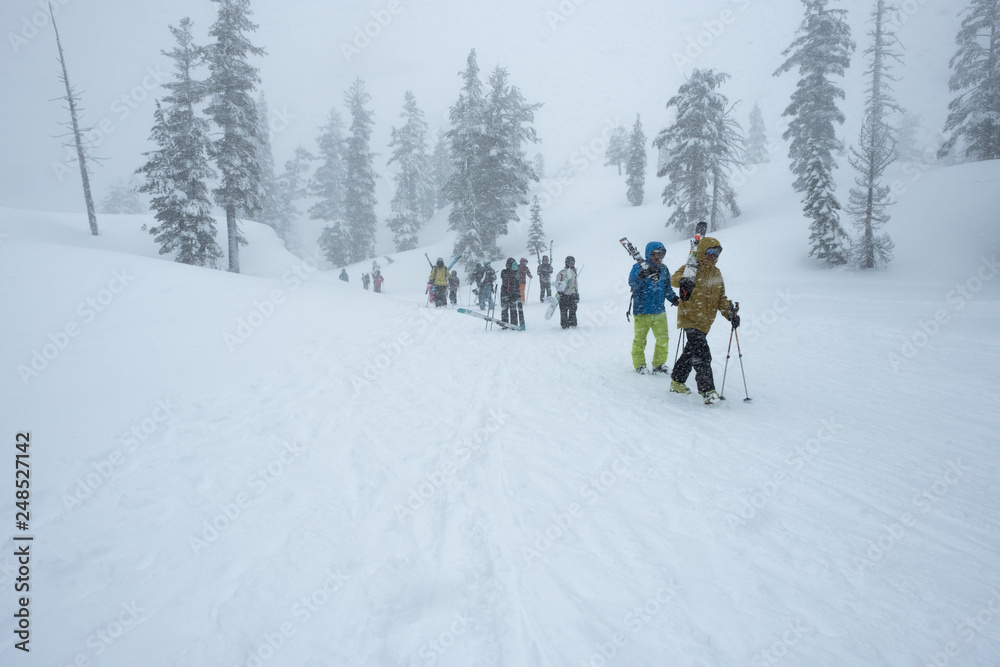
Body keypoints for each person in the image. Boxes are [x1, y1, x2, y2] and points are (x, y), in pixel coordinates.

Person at [669, 236, 739, 404]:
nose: (712, 256)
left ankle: (677, 381)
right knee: (702, 354)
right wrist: (684, 280)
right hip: (690, 318)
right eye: (709, 252)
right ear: (702, 252)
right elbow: (673, 279)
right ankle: (707, 391)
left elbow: (721, 298)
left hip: (705, 322)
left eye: (716, 253)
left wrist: (730, 314)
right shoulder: (692, 268)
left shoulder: (716, 273)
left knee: (690, 353)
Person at [628, 241, 680, 375]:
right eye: (655, 255)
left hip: (659, 311)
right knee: (640, 340)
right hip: (642, 311)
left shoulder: (664, 269)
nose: (658, 258)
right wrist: (642, 275)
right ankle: (639, 365)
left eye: (661, 255)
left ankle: (659, 364)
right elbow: (632, 283)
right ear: (648, 254)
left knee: (663, 339)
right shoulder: (638, 267)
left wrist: (674, 299)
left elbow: (667, 288)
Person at [554, 255, 580, 329]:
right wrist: (559, 291)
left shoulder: (574, 273)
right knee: (563, 311)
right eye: (570, 262)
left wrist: (576, 292)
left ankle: (572, 323)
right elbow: (557, 283)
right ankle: (564, 324)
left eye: (573, 262)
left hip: (572, 294)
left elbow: (575, 284)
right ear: (566, 263)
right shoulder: (561, 273)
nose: (571, 264)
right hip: (564, 295)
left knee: (573, 310)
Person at [499, 258, 523, 328]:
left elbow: (517, 283)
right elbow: (504, 277)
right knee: (504, 309)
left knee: (513, 309)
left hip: (513, 294)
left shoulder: (516, 273)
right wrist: (511, 273)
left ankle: (514, 324)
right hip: (504, 293)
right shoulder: (504, 272)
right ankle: (505, 323)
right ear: (508, 266)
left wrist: (517, 294)